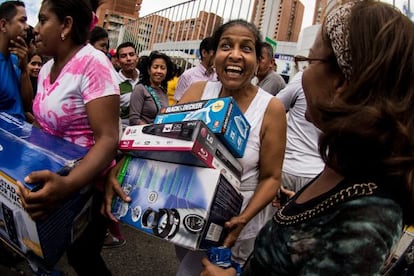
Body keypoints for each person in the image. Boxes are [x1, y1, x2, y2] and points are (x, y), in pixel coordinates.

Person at [200, 1, 414, 275]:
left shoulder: (367, 218)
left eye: (309, 62)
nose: (302, 77)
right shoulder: (342, 167)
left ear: (341, 84)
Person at [170, 19, 286, 275]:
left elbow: (271, 178)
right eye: (226, 46)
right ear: (213, 56)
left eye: (246, 48)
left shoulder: (271, 108)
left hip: (235, 229)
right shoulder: (199, 90)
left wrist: (243, 221)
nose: (235, 55)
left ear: (258, 60)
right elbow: (162, 140)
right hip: (186, 213)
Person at [15, 0, 120, 275]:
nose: (35, 29)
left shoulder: (93, 64)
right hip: (55, 180)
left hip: (85, 188)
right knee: (53, 251)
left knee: (83, 257)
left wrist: (68, 183)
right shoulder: (48, 67)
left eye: (43, 20)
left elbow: (108, 139)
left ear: (67, 25)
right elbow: (44, 122)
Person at [275, 70, 324, 194]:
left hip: (289, 167)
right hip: (319, 174)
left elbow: (274, 107)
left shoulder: (304, 77)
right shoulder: (350, 86)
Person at [0, 0, 32, 121]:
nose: (27, 27)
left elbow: (27, 106)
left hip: (20, 134)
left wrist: (24, 70)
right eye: (22, 20)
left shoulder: (16, 59)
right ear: (3, 25)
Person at [129, 50, 174, 125]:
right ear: (149, 70)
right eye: (155, 67)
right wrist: (151, 130)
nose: (159, 71)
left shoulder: (163, 91)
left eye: (162, 68)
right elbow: (134, 119)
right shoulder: (140, 89)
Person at [173, 36, 217, 102]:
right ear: (204, 53)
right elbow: (179, 102)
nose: (217, 57)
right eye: (214, 53)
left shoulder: (217, 76)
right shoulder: (187, 76)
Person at [116, 42, 140, 127]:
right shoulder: (114, 83)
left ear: (137, 58)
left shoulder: (146, 78)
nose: (128, 58)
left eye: (131, 54)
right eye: (123, 56)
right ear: (118, 61)